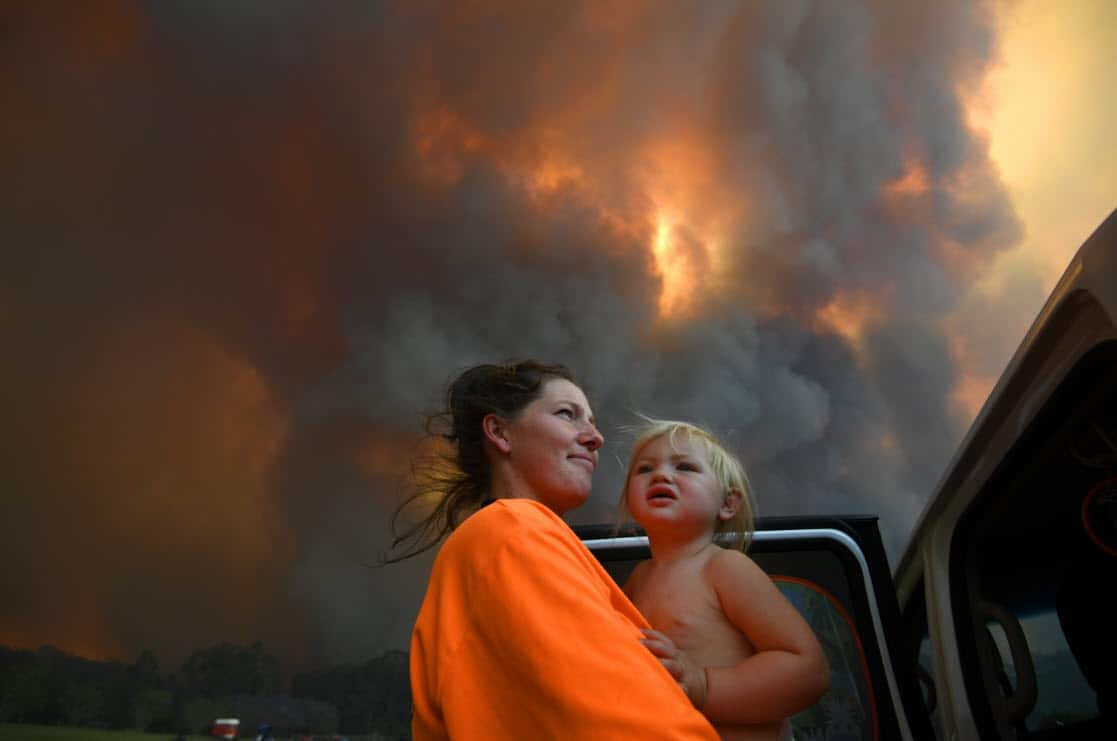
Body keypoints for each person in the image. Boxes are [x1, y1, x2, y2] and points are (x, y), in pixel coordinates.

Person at [392, 360, 719, 740]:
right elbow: (621, 722)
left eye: (593, 422)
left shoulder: (506, 537)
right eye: (568, 414)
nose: (595, 437)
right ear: (499, 432)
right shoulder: (513, 531)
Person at [618, 418, 830, 741]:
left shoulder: (726, 568)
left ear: (728, 503)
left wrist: (705, 685)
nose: (661, 474)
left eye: (685, 467)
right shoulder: (637, 580)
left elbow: (807, 670)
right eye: (645, 469)